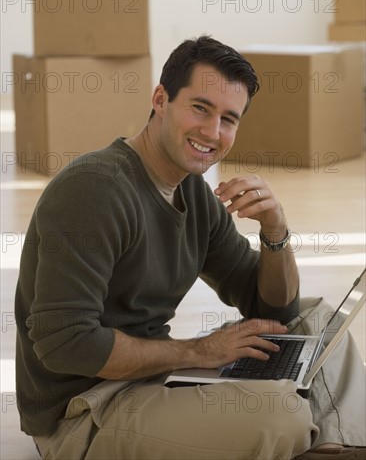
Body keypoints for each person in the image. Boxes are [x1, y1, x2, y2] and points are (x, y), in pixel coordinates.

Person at [15, 36, 365, 460]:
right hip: (85, 412)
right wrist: (198, 351)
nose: (212, 132)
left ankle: (336, 445)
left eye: (229, 119)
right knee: (280, 415)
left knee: (318, 319)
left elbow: (274, 312)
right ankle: (326, 436)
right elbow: (63, 342)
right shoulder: (94, 189)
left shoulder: (194, 195)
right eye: (200, 108)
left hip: (153, 379)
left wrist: (275, 229)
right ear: (160, 99)